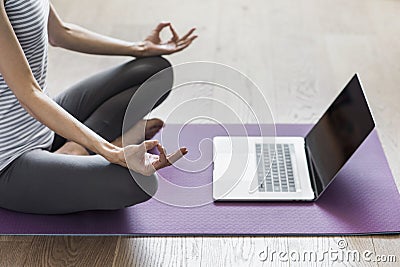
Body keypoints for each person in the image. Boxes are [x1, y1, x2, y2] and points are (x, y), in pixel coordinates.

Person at [0, 0, 197, 214]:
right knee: (141, 181)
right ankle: (104, 144)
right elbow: (29, 93)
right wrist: (110, 151)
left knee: (156, 72)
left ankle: (76, 150)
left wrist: (140, 48)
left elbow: (59, 32)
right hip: (9, 161)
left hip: (42, 123)